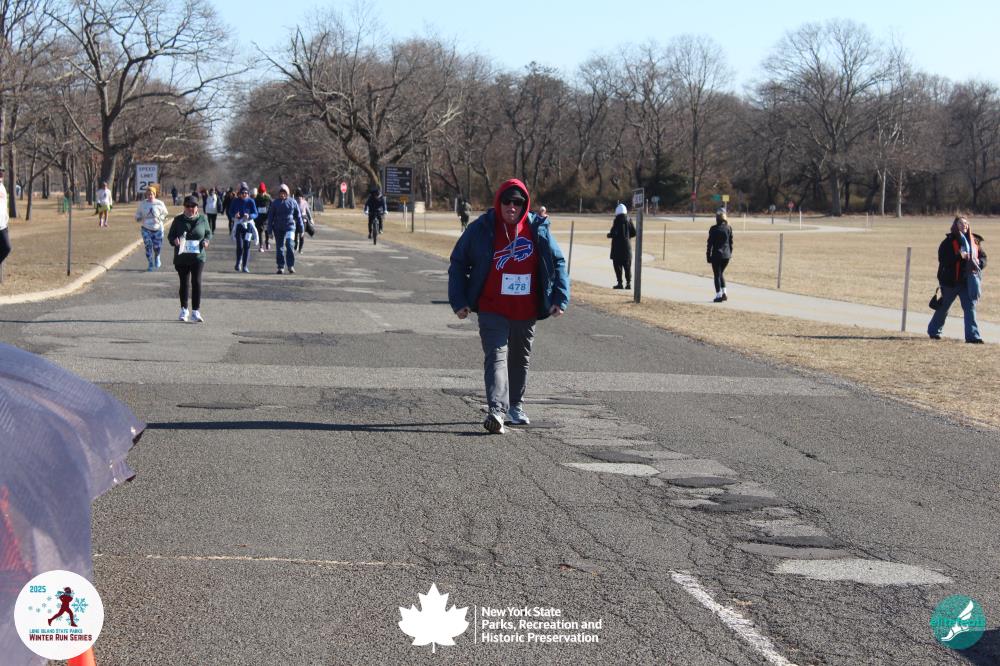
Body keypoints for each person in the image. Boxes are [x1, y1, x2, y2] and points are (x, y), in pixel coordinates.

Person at [448, 178, 570, 435]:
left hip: (526, 310)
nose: (512, 206)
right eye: (507, 201)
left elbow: (557, 261)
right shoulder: (482, 228)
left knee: (519, 360)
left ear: (525, 205)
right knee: (496, 356)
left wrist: (560, 297)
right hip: (492, 308)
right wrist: (459, 301)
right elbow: (458, 262)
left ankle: (515, 406)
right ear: (498, 202)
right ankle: (496, 411)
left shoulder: (537, 228)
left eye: (518, 202)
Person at [928, 216, 987, 343]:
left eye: (966, 223)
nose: (964, 225)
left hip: (967, 283)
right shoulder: (948, 242)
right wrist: (959, 256)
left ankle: (973, 337)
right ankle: (934, 332)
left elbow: (983, 257)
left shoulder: (974, 240)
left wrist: (980, 262)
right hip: (950, 283)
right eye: (961, 223)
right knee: (944, 308)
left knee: (970, 308)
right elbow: (943, 260)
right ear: (955, 225)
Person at [168, 195, 212, 322]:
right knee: (184, 283)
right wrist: (174, 240)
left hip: (198, 256)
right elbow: (171, 236)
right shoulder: (178, 220)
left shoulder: (203, 219)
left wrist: (206, 241)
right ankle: (184, 310)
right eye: (188, 206)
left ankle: (196, 311)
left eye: (193, 206)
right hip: (182, 257)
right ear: (184, 207)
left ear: (197, 207)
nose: (190, 209)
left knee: (196, 282)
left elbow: (208, 233)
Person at [267, 184, 303, 274]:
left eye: (284, 193)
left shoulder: (293, 202)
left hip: (290, 226)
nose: (282, 195)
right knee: (279, 247)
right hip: (278, 227)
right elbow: (270, 217)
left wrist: (301, 228)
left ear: (287, 193)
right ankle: (280, 266)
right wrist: (269, 231)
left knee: (289, 244)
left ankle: (290, 266)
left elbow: (298, 216)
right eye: (281, 193)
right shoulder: (275, 203)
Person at [134, 185, 169, 271]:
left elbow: (165, 214)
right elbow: (137, 214)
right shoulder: (143, 204)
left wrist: (161, 218)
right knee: (148, 245)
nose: (150, 196)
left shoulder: (160, 203)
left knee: (157, 247)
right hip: (146, 228)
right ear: (146, 195)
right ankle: (150, 263)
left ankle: (157, 256)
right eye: (148, 194)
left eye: (151, 194)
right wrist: (138, 218)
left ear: (155, 194)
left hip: (158, 228)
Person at [228, 183, 259, 272]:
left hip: (248, 226)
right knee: (240, 245)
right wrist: (234, 215)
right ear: (239, 194)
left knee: (246, 246)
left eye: (246, 193)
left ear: (248, 194)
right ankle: (238, 262)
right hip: (239, 225)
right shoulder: (235, 201)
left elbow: (256, 213)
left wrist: (249, 216)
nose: (244, 195)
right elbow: (230, 211)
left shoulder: (251, 201)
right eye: (242, 193)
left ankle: (245, 266)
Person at [707, 207, 734, 302]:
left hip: (717, 255)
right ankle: (724, 293)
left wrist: (708, 256)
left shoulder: (713, 229)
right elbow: (730, 243)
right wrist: (730, 254)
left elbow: (710, 244)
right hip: (726, 256)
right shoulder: (729, 228)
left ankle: (718, 295)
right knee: (720, 273)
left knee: (717, 275)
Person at [607, 203, 635, 289]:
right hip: (627, 248)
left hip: (617, 249)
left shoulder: (617, 220)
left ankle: (620, 283)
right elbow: (634, 232)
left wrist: (609, 235)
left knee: (617, 266)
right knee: (627, 266)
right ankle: (628, 283)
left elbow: (614, 233)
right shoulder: (629, 219)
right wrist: (627, 237)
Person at [294, 188, 312, 253]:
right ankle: (295, 246)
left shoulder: (305, 203)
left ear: (302, 197)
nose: (299, 198)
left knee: (302, 235)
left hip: (303, 220)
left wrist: (311, 219)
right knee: (295, 235)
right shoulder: (294, 202)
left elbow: (308, 211)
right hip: (296, 220)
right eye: (297, 197)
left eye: (300, 197)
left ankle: (300, 249)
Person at [255, 183, 272, 251]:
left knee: (267, 231)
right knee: (260, 231)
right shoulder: (256, 199)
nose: (262, 193)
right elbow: (254, 207)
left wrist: (271, 213)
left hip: (266, 218)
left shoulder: (268, 198)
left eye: (263, 192)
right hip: (259, 218)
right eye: (260, 192)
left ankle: (267, 242)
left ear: (265, 191)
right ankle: (261, 246)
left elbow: (272, 206)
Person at [0, 166, 10, 272]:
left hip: (3, 225)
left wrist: (6, 216)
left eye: (2, 173)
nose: (1, 174)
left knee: (7, 248)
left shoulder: (2, 187)